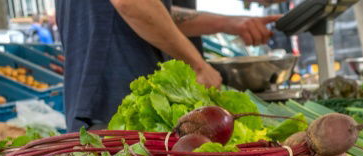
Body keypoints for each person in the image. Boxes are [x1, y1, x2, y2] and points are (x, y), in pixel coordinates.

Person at [56, 1, 280, 131]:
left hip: (119, 103)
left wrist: (230, 23)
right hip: (111, 105)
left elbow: (157, 11)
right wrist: (197, 65)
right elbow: (133, 4)